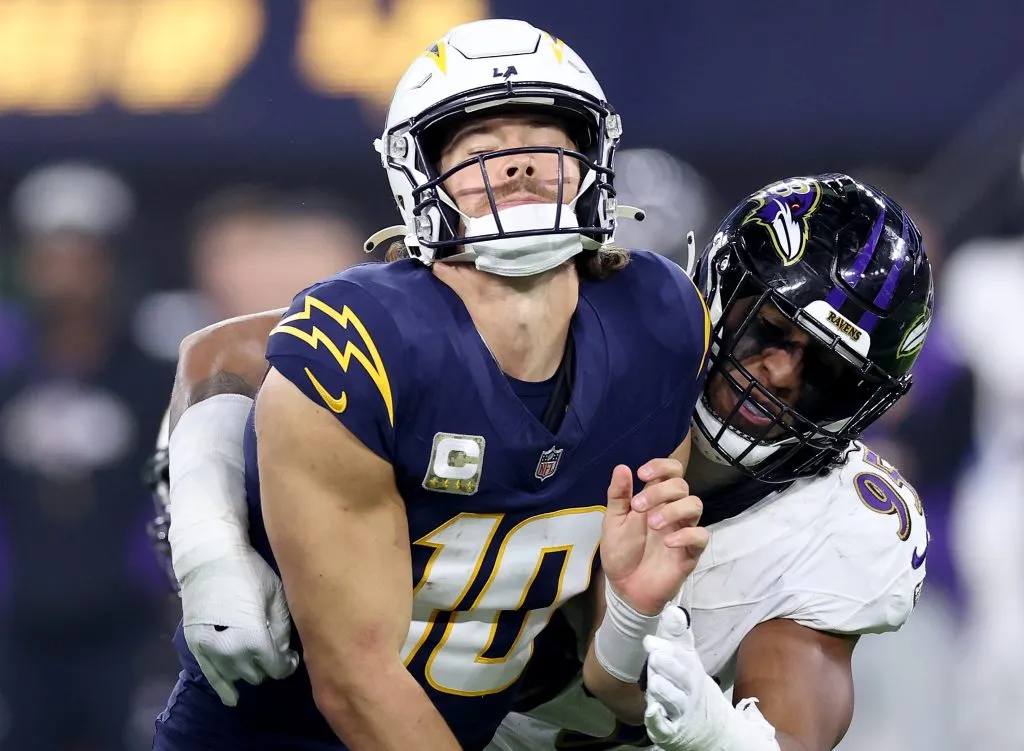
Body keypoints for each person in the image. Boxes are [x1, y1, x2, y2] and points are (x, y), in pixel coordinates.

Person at [151, 18, 711, 751]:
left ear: (592, 158)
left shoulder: (659, 320)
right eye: (481, 152)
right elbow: (356, 679)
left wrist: (633, 620)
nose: (517, 167)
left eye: (543, 141)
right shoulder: (368, 339)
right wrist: (207, 542)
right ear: (419, 179)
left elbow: (615, 682)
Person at [489, 173, 934, 751]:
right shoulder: (585, 355)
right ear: (721, 291)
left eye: (825, 371)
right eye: (769, 332)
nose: (780, 374)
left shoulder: (843, 525)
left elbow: (790, 737)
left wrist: (716, 732)